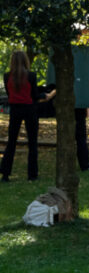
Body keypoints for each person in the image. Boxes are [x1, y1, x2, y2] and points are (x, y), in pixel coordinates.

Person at [1, 50, 40, 182]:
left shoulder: (7, 76)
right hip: (29, 109)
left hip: (15, 109)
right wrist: (44, 96)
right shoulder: (31, 76)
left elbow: (9, 93)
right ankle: (32, 174)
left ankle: (5, 173)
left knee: (11, 141)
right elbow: (34, 95)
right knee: (32, 142)